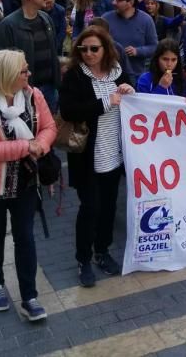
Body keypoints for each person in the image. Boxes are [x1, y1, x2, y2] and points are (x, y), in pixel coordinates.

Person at [0, 50, 57, 322]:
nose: (29, 75)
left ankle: (29, 296)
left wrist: (42, 144)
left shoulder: (32, 94)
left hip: (26, 180)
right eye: (23, 71)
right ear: (6, 75)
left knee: (25, 236)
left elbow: (49, 127)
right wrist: (26, 146)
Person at [59, 27, 134, 286]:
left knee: (109, 207)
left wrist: (128, 89)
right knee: (90, 208)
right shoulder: (75, 76)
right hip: (87, 156)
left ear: (106, 49)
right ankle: (83, 258)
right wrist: (105, 103)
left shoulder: (117, 72)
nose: (88, 53)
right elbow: (69, 111)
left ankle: (102, 251)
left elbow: (130, 96)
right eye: (83, 48)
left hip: (113, 153)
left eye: (94, 48)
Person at [0, 0, 62, 111]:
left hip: (49, 88)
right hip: (22, 91)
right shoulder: (8, 25)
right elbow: (1, 62)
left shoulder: (46, 19)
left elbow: (53, 50)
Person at [102, 0, 158, 76]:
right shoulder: (106, 18)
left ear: (131, 2)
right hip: (109, 73)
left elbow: (154, 46)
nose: (114, 3)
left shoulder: (146, 20)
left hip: (135, 74)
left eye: (118, 0)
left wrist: (137, 51)